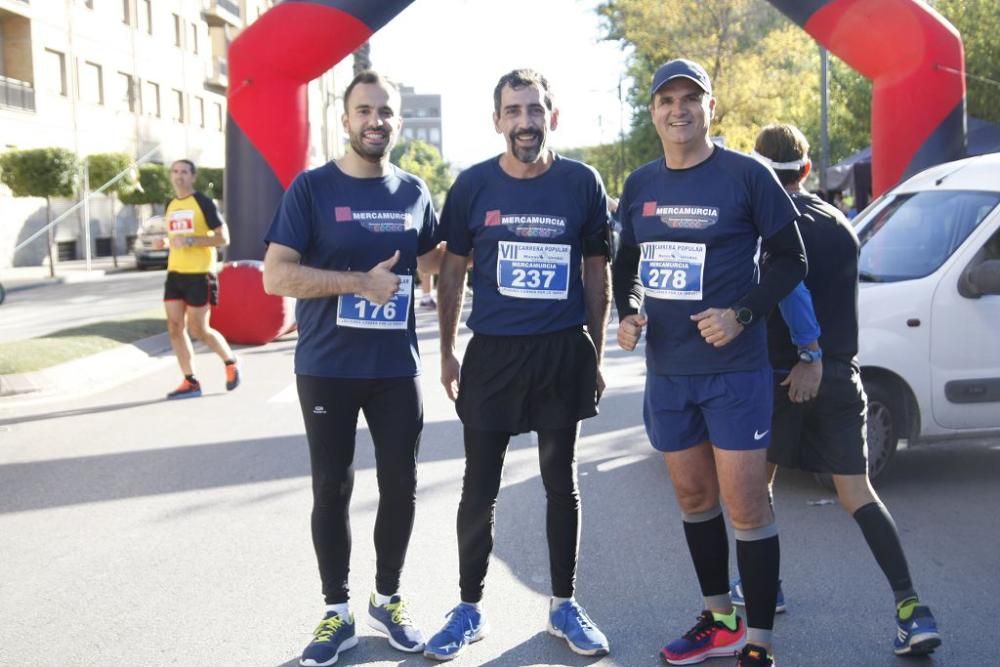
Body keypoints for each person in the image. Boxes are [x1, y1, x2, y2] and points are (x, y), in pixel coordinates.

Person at [612, 59, 807, 667]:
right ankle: (718, 617)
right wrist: (629, 311)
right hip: (669, 372)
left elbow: (790, 260)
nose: (678, 109)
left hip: (735, 370)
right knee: (695, 499)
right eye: (666, 100)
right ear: (653, 113)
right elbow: (627, 265)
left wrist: (741, 315)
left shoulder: (746, 176)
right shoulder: (641, 184)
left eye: (689, 99)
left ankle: (759, 641)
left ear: (710, 108)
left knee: (747, 501)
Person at [728, 123, 941, 657]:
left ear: (759, 172)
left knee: (757, 492)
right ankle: (912, 609)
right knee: (858, 494)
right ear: (805, 171)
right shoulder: (840, 223)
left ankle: (763, 591)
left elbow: (789, 290)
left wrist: (806, 355)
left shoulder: (761, 226)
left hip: (781, 374)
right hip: (842, 376)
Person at [424, 68, 612, 661]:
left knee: (562, 483)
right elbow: (452, 274)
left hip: (560, 350)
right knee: (479, 487)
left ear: (551, 117)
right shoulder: (472, 186)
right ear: (497, 120)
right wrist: (449, 351)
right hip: (495, 353)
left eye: (534, 110)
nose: (524, 122)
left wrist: (596, 355)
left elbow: (596, 276)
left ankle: (563, 605)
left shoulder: (582, 182)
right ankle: (469, 608)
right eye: (513, 111)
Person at [262, 70, 442, 667]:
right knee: (332, 488)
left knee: (401, 486)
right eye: (364, 111)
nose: (376, 122)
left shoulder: (415, 191)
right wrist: (358, 283)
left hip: (395, 368)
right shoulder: (310, 190)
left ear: (397, 120)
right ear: (345, 120)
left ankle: (387, 598)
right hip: (327, 368)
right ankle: (335, 612)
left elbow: (439, 261)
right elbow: (275, 274)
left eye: (385, 112)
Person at [161, 158, 240, 399]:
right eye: (175, 171)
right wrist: (165, 242)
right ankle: (190, 380)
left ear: (192, 176)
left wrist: (192, 240)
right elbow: (176, 238)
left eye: (184, 171)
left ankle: (230, 361)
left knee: (199, 328)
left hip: (200, 274)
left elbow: (223, 238)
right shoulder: (170, 204)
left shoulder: (203, 202)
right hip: (175, 273)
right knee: (175, 327)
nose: (179, 176)